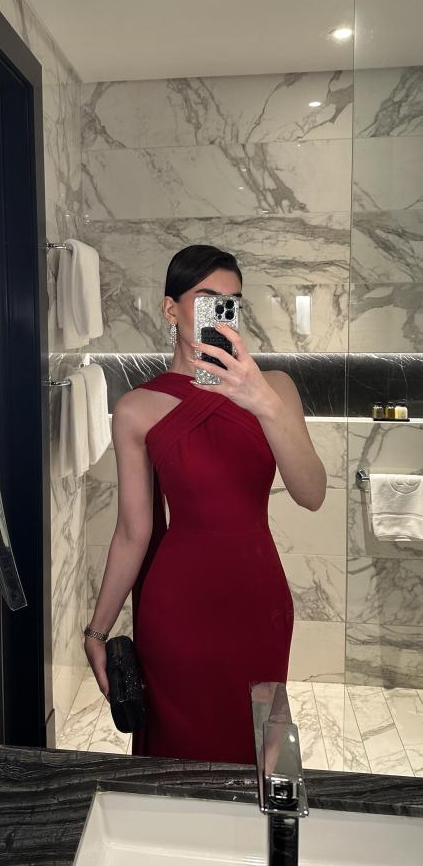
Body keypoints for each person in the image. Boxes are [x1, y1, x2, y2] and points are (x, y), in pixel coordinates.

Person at [84, 244, 327, 763]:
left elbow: (312, 494)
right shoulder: (137, 408)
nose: (221, 312)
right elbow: (133, 531)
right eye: (207, 299)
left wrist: (261, 401)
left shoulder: (275, 388)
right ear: (171, 309)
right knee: (177, 757)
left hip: (258, 601)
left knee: (256, 746)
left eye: (231, 302)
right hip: (176, 610)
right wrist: (97, 630)